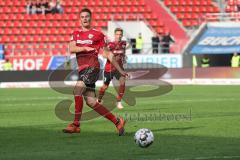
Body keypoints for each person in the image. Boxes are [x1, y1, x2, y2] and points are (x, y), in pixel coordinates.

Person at [62, 8, 127, 136]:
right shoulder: (75, 33)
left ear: (91, 18)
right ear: (79, 19)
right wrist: (84, 48)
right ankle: (117, 121)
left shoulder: (98, 34)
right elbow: (72, 48)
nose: (85, 19)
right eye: (82, 17)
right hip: (82, 69)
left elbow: (107, 53)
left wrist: (120, 70)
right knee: (91, 102)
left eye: (87, 16)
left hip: (93, 67)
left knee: (77, 89)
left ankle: (76, 125)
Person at [97, 28, 130, 109]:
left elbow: (124, 50)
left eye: (120, 34)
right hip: (109, 69)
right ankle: (99, 99)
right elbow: (104, 55)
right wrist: (109, 55)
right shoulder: (110, 45)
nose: (118, 36)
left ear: (122, 35)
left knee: (122, 82)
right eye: (117, 34)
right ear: (114, 35)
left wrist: (123, 57)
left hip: (119, 69)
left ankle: (118, 102)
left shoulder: (124, 44)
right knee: (105, 87)